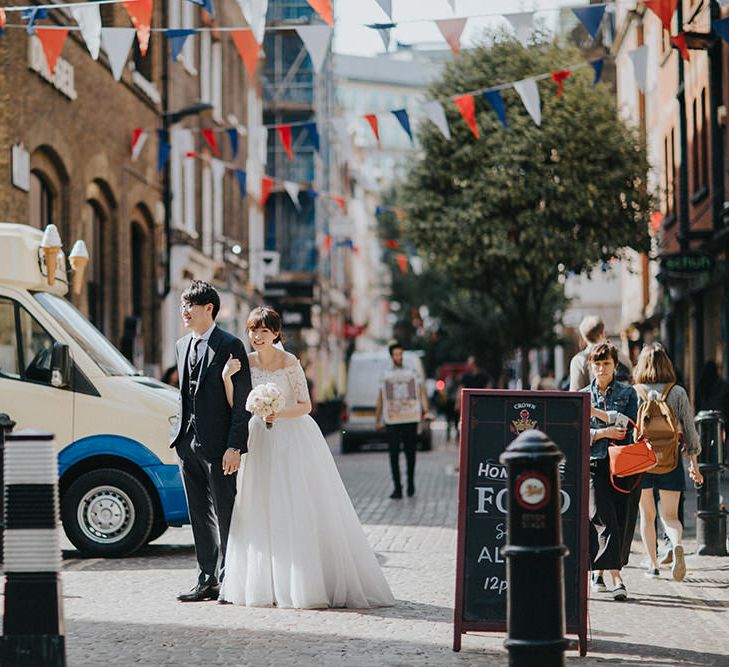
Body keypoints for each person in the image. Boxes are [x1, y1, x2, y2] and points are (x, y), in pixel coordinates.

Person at [219, 306, 395, 609]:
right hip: (258, 438)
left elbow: (305, 404)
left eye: (263, 331)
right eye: (252, 330)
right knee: (259, 504)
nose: (257, 337)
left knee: (294, 503)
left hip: (291, 436)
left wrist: (277, 411)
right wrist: (226, 379)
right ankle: (267, 584)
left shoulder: (290, 362)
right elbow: (238, 405)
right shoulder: (244, 363)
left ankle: (302, 583)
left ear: (276, 333)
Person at [169, 280, 252, 602]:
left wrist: (235, 446)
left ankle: (230, 580)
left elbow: (242, 401)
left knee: (226, 512)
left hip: (219, 447)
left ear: (209, 309)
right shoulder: (180, 346)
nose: (184, 311)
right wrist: (178, 438)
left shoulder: (231, 344)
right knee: (198, 515)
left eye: (190, 305)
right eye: (182, 305)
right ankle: (206, 580)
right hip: (186, 443)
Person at [634, 343, 703, 581]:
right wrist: (694, 463)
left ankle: (653, 565)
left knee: (647, 515)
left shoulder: (635, 392)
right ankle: (676, 545)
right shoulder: (678, 392)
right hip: (671, 461)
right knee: (670, 516)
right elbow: (691, 431)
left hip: (643, 462)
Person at [584, 342, 639, 601]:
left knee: (621, 519)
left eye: (606, 363)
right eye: (597, 363)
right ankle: (617, 578)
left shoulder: (629, 394)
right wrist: (603, 431)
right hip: (595, 464)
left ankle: (599, 572)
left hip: (623, 464)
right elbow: (578, 431)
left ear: (615, 366)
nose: (601, 368)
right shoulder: (582, 394)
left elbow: (627, 426)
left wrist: (596, 416)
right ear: (590, 366)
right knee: (601, 517)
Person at [375, 341, 431, 499]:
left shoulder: (412, 372)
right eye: (396, 354)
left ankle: (411, 483)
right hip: (392, 419)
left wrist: (425, 411)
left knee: (410, 452)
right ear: (391, 356)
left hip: (410, 418)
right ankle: (397, 487)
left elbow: (420, 393)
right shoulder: (385, 374)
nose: (398, 357)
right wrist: (377, 418)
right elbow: (381, 398)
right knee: (393, 454)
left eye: (400, 354)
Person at [570, 316, 632, 390]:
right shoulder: (622, 358)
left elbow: (576, 392)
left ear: (584, 337)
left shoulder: (579, 360)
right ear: (602, 333)